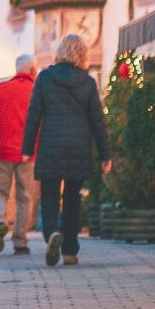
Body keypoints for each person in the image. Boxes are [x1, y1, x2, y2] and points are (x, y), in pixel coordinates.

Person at [22, 34, 110, 267]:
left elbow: (34, 115)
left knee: (49, 194)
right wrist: (105, 154)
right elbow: (97, 121)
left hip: (51, 144)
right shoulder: (88, 82)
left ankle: (51, 232)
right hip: (79, 146)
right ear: (82, 54)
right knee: (72, 199)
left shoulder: (44, 78)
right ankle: (70, 251)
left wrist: (27, 148)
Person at [0, 55, 37, 255]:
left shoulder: (1, 89)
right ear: (33, 71)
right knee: (25, 197)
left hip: (3, 149)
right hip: (28, 152)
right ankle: (20, 242)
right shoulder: (36, 91)